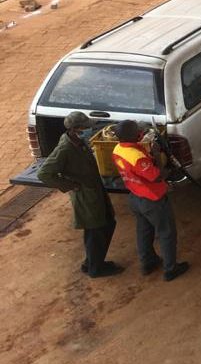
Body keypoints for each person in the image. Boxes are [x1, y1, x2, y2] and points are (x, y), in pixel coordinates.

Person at [37, 112, 122, 278]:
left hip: (94, 191)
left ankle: (91, 262)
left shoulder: (78, 142)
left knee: (104, 225)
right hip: (86, 197)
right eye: (85, 127)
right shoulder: (65, 149)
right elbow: (44, 174)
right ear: (75, 129)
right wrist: (71, 186)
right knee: (96, 230)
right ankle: (96, 268)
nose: (88, 129)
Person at [111, 120, 189, 281]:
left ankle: (147, 263)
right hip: (152, 199)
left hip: (135, 196)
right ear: (134, 135)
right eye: (138, 131)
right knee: (166, 233)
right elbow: (156, 176)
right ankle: (171, 269)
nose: (141, 133)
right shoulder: (136, 157)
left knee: (144, 231)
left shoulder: (118, 149)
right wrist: (157, 157)